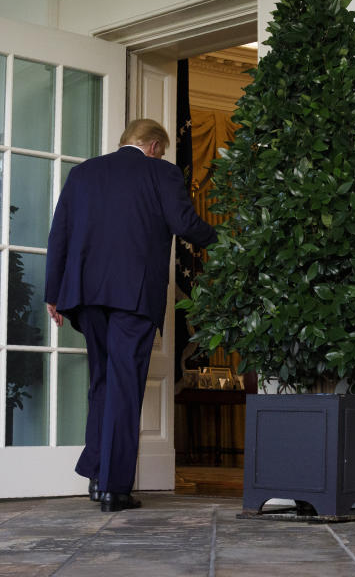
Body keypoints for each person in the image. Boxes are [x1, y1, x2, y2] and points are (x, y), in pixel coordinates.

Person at [45, 118, 217, 512]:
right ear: (155, 146)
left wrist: (53, 293)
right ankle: (114, 488)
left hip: (85, 295)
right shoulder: (161, 172)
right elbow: (184, 224)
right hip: (133, 295)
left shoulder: (83, 173)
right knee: (124, 384)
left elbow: (60, 234)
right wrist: (225, 239)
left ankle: (96, 475)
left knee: (102, 382)